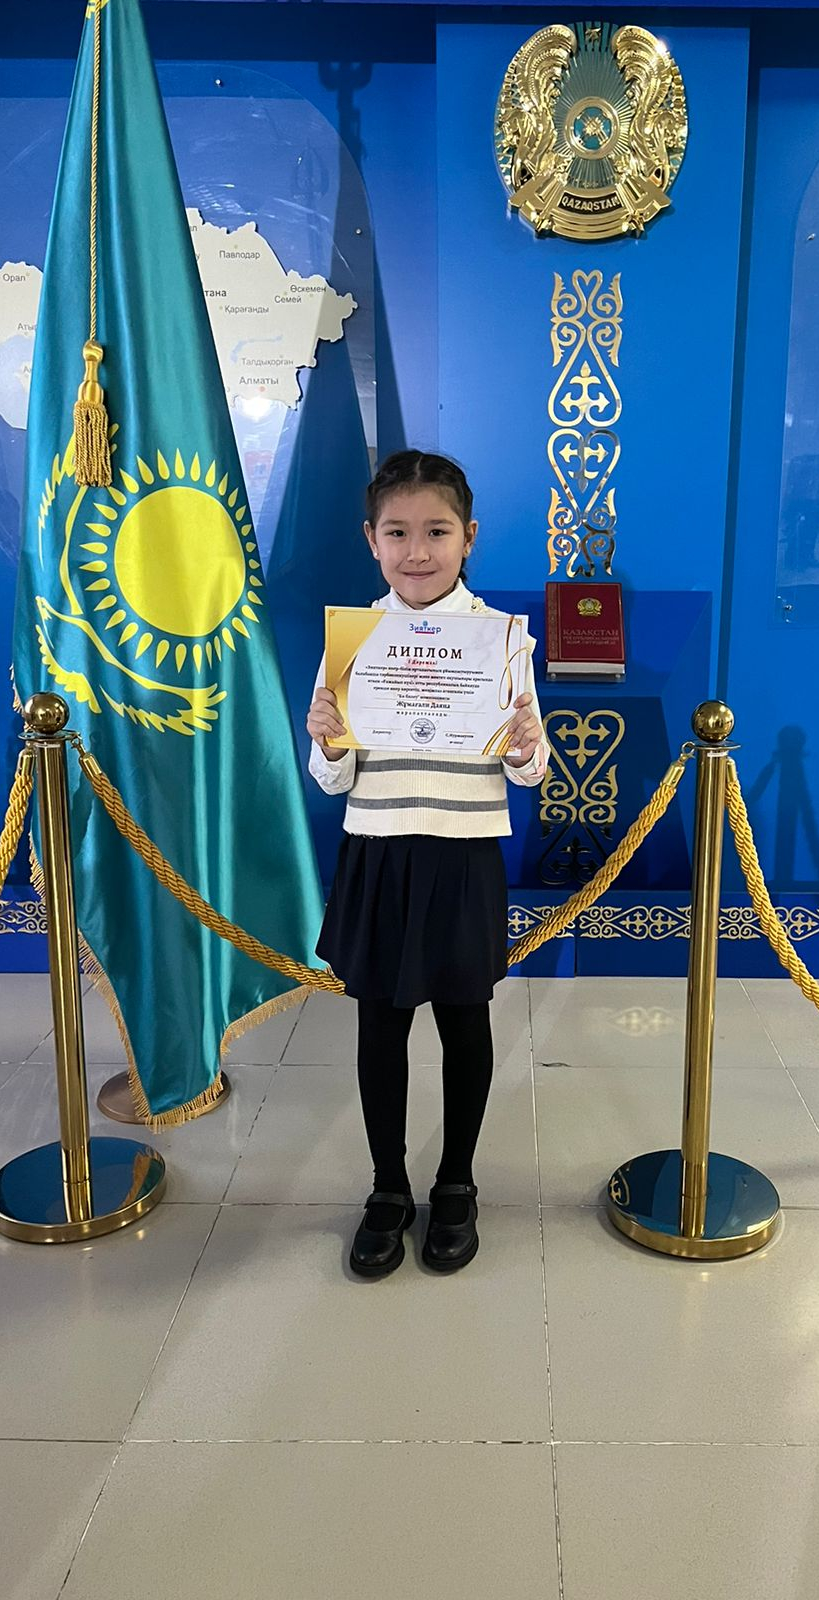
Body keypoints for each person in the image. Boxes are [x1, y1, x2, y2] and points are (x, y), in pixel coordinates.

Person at [306, 450, 549, 1279]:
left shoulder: (500, 640)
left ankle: (456, 1183)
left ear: (469, 536)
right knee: (380, 1026)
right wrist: (326, 740)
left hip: (463, 854)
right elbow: (332, 778)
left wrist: (525, 744)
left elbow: (528, 772)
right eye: (398, 533)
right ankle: (387, 1188)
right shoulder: (353, 641)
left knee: (464, 1022)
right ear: (370, 539)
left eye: (437, 532)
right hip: (378, 851)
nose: (417, 551)